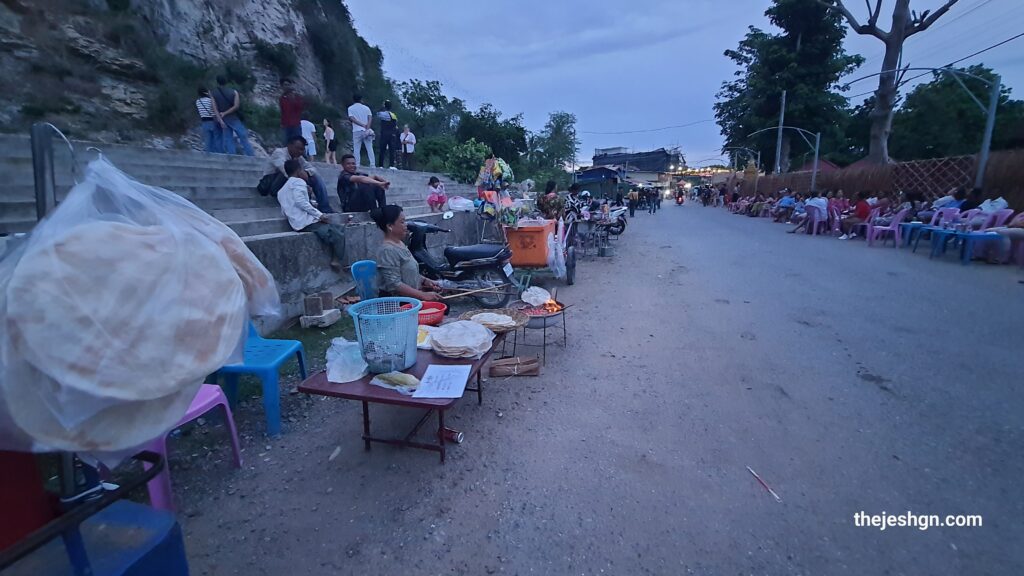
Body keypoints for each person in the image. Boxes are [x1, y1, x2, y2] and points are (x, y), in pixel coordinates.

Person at [277, 159, 346, 271]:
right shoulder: (299, 182)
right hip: (306, 222)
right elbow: (301, 202)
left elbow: (284, 211)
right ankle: (337, 260)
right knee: (338, 232)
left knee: (336, 228)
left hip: (296, 223)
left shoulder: (281, 191)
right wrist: (320, 215)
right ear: (299, 171)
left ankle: (336, 258)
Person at [372, 205, 441, 301]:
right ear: (390, 226)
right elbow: (394, 284)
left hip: (410, 299)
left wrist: (425, 281)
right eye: (402, 222)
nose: (406, 225)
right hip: (396, 304)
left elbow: (407, 272)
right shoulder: (387, 250)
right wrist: (423, 295)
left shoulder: (400, 244)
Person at [265, 136, 334, 213]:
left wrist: (306, 173)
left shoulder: (298, 158)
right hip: (272, 185)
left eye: (302, 149)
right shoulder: (279, 153)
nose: (300, 152)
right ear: (289, 145)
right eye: (298, 148)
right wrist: (301, 179)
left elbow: (313, 169)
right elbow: (285, 171)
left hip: (290, 184)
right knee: (291, 169)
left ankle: (325, 208)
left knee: (315, 177)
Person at [212, 75, 254, 156]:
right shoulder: (234, 92)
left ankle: (232, 156)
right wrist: (226, 113)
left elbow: (214, 109)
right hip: (233, 118)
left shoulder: (213, 93)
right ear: (226, 82)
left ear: (217, 82)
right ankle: (251, 155)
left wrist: (221, 119)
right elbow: (236, 106)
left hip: (223, 119)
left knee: (228, 139)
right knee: (243, 136)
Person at [348, 93, 375, 167]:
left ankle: (357, 164)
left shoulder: (350, 108)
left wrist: (361, 124)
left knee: (356, 148)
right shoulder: (366, 108)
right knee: (369, 148)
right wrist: (367, 127)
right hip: (366, 130)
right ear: (361, 99)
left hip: (356, 130)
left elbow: (352, 119)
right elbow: (370, 117)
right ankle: (372, 164)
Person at [195, 87, 224, 154]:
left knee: (208, 140)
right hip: (212, 121)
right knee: (217, 139)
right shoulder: (210, 100)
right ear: (206, 92)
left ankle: (208, 156)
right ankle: (220, 155)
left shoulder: (198, 101)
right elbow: (215, 110)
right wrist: (211, 95)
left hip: (204, 123)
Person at [279, 78, 304, 145]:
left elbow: (300, 108)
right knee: (285, 144)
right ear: (282, 86)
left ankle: (302, 155)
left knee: (297, 143)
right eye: (285, 85)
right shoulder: (282, 98)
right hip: (286, 125)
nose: (286, 86)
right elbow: (283, 112)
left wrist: (293, 99)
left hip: (295, 124)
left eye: (288, 85)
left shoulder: (297, 97)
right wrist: (282, 123)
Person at [375, 100, 399, 169]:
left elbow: (377, 114)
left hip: (384, 134)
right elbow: (395, 123)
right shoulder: (393, 115)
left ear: (384, 106)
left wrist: (382, 107)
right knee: (392, 150)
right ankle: (391, 165)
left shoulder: (382, 114)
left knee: (382, 150)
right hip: (392, 135)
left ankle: (380, 165)